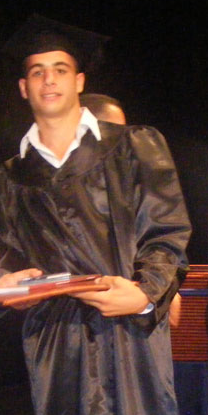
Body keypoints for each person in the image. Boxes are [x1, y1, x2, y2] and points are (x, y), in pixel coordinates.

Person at [0, 14, 192, 415]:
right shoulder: (12, 176)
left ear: (79, 80)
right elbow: (9, 254)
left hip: (129, 329)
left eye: (60, 69)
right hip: (57, 339)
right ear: (23, 87)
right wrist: (5, 281)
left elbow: (167, 232)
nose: (49, 79)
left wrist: (145, 293)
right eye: (37, 71)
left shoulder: (134, 145)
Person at [79, 91, 182, 329]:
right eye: (115, 130)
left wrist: (159, 290)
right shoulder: (47, 182)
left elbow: (160, 238)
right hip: (76, 320)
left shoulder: (127, 181)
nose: (124, 140)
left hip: (130, 316)